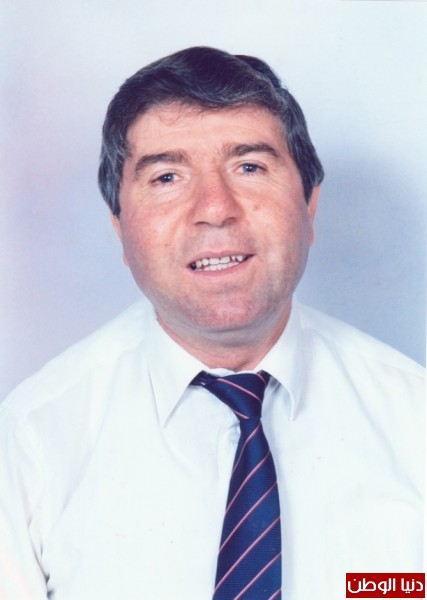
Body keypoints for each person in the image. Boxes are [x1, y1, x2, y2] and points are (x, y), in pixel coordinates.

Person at [0, 46, 424, 600]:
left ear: (309, 205)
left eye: (249, 167)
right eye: (167, 177)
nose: (216, 208)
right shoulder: (30, 441)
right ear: (119, 228)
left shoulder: (413, 419)